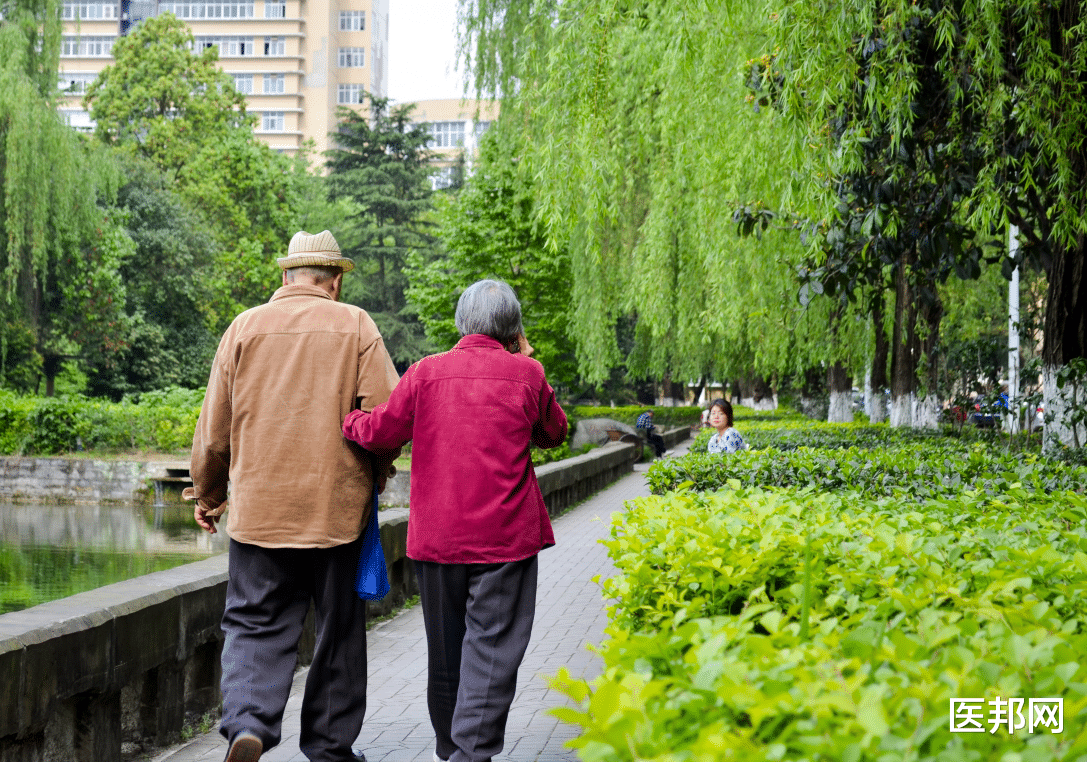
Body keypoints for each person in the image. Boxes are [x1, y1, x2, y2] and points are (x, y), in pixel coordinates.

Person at [188, 230, 400, 762]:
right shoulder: (355, 324)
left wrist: (209, 494)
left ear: (286, 276)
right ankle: (329, 747)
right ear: (335, 280)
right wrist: (379, 469)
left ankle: (248, 726)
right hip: (337, 513)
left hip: (260, 511)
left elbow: (215, 429)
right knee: (337, 633)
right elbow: (387, 417)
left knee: (254, 622)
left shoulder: (244, 327)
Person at [341, 279, 568, 762]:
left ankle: (452, 749)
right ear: (512, 328)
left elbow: (381, 431)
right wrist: (525, 356)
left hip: (439, 538)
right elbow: (553, 433)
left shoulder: (426, 373)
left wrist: (348, 420)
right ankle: (470, 754)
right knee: (492, 650)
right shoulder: (528, 374)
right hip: (505, 537)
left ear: (461, 323)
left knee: (445, 653)